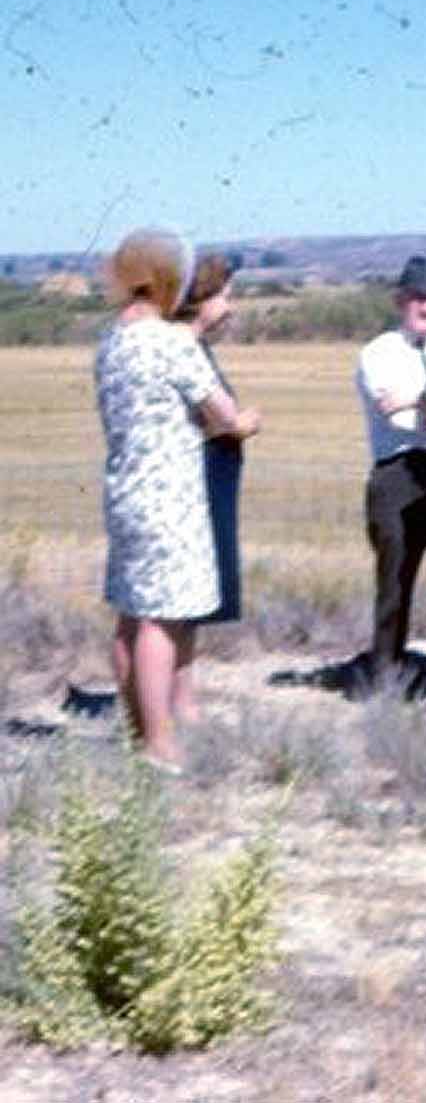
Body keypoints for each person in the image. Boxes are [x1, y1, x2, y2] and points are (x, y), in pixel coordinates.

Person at [97, 227, 254, 772]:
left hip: (126, 491)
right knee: (161, 622)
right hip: (171, 497)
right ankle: (161, 746)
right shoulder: (172, 343)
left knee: (130, 616)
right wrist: (247, 421)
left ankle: (137, 731)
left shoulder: (112, 341)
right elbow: (224, 416)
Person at [356, 255, 426, 694]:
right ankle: (386, 678)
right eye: (417, 298)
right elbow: (397, 416)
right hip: (397, 474)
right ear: (399, 300)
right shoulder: (377, 353)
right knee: (394, 581)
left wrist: (419, 402)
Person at [172, 253, 262, 723]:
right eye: (224, 295)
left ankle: (177, 697)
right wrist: (242, 423)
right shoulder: (186, 350)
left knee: (191, 596)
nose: (229, 306)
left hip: (212, 476)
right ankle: (179, 703)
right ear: (201, 299)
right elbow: (219, 420)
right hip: (198, 479)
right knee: (184, 596)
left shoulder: (195, 348)